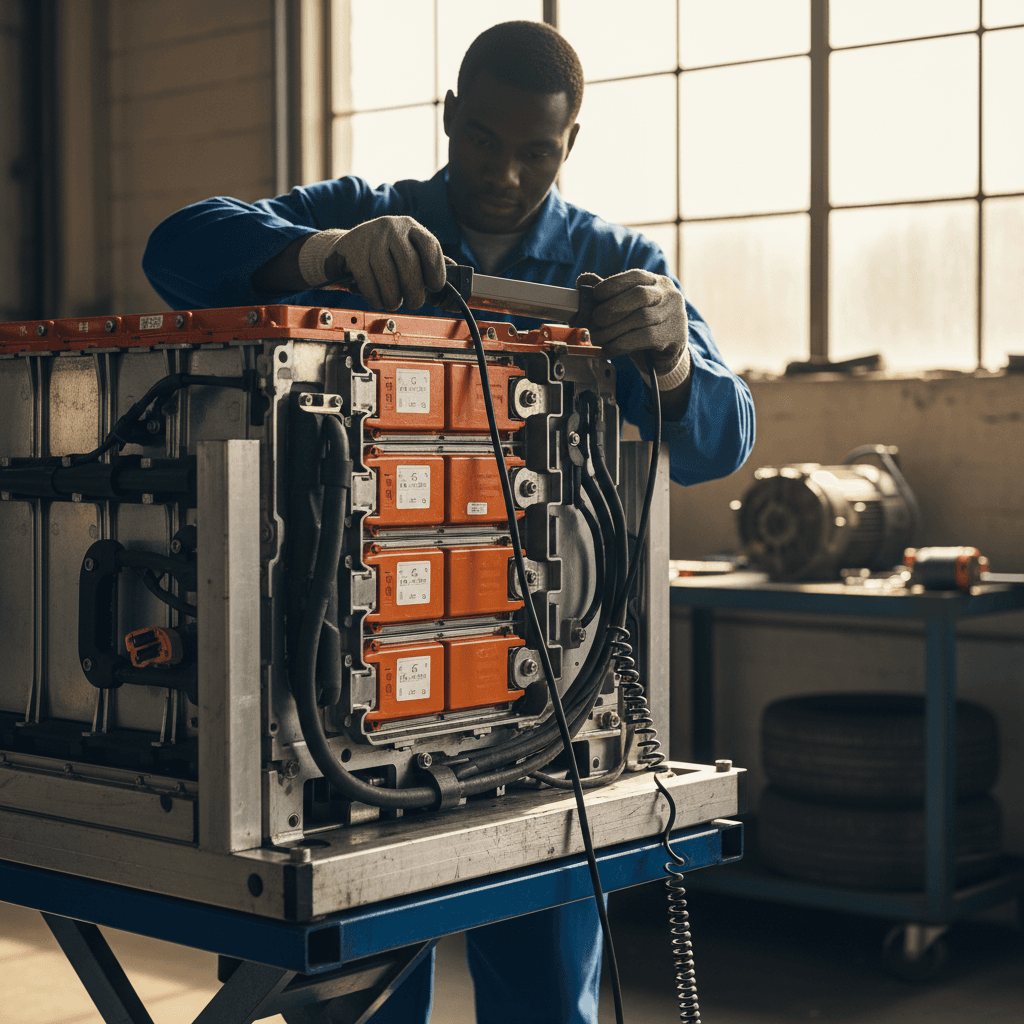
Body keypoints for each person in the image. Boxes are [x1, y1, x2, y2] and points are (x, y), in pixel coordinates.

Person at [144, 20, 754, 1024]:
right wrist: (323, 253)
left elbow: (715, 447)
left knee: (546, 998)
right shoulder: (366, 217)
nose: (504, 172)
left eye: (534, 151)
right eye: (481, 140)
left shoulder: (612, 264)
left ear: (571, 145)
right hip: (347, 712)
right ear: (448, 119)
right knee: (357, 1001)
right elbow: (174, 250)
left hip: (544, 710)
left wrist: (675, 364)